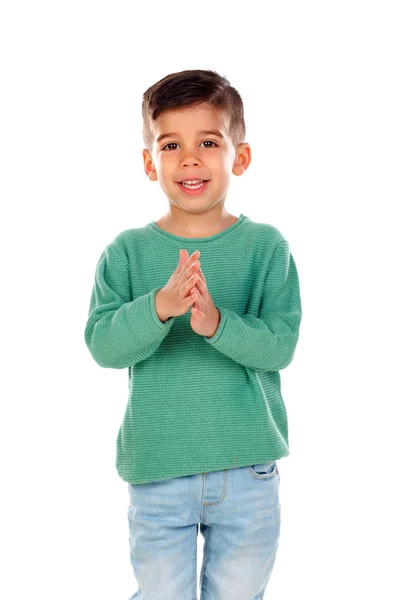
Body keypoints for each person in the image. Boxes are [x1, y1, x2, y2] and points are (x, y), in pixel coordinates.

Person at [84, 69, 302, 600]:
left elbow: (280, 345)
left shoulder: (266, 248)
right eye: (170, 144)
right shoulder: (127, 253)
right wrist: (160, 307)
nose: (189, 158)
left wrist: (215, 323)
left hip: (246, 468)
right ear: (148, 162)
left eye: (209, 141)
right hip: (157, 469)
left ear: (240, 157)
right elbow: (103, 345)